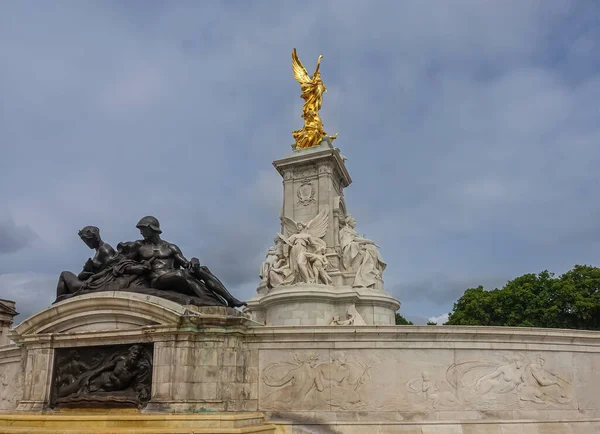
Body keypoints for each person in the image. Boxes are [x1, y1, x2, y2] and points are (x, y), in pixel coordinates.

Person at [125, 216, 245, 308]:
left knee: (202, 269)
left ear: (152, 228)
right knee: (181, 274)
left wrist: (194, 261)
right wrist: (136, 268)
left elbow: (186, 264)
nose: (141, 232)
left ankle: (230, 299)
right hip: (156, 280)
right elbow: (125, 263)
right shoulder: (139, 246)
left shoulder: (170, 247)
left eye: (143, 229)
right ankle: (212, 301)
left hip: (174, 276)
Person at [56, 226, 117, 300]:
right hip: (90, 282)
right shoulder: (99, 250)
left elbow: (113, 268)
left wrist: (93, 276)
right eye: (85, 241)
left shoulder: (104, 248)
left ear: (94, 237)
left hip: (93, 285)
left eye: (88, 240)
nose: (87, 243)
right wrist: (86, 271)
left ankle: (60, 302)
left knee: (64, 274)